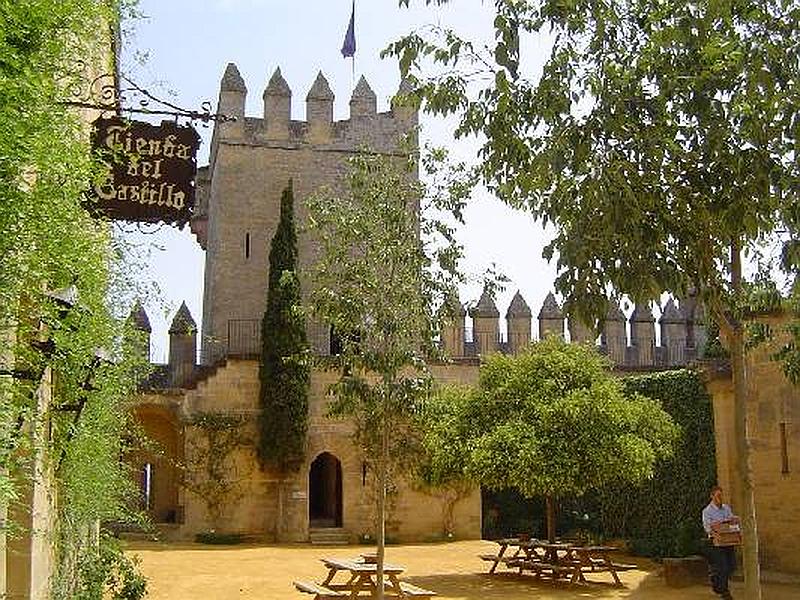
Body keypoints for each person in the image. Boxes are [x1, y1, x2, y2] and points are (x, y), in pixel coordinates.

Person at [701, 485, 739, 599]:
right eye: (718, 496)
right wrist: (715, 533)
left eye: (721, 496)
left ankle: (715, 578)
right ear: (712, 496)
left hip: (728, 541)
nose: (720, 498)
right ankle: (725, 592)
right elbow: (707, 528)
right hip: (716, 542)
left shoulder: (726, 508)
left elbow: (731, 521)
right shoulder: (707, 511)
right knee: (723, 567)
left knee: (732, 566)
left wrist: (734, 520)